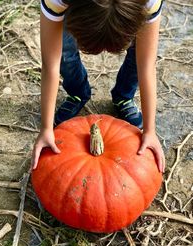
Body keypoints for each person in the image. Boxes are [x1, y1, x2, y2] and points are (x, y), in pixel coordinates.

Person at [31, 0, 165, 172]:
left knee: (139, 55)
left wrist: (150, 130)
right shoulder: (56, 0)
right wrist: (46, 128)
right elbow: (51, 65)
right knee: (63, 51)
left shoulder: (149, 2)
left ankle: (123, 96)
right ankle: (78, 92)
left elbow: (147, 65)